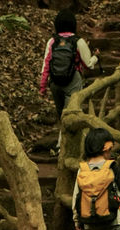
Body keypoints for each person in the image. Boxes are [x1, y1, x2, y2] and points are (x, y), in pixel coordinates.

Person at [39, 9, 100, 147]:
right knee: (70, 114)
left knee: (62, 114)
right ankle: (63, 146)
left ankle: (63, 144)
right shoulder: (78, 41)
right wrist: (96, 57)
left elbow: (46, 65)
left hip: (55, 83)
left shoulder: (52, 41)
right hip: (73, 81)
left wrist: (42, 87)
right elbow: (88, 65)